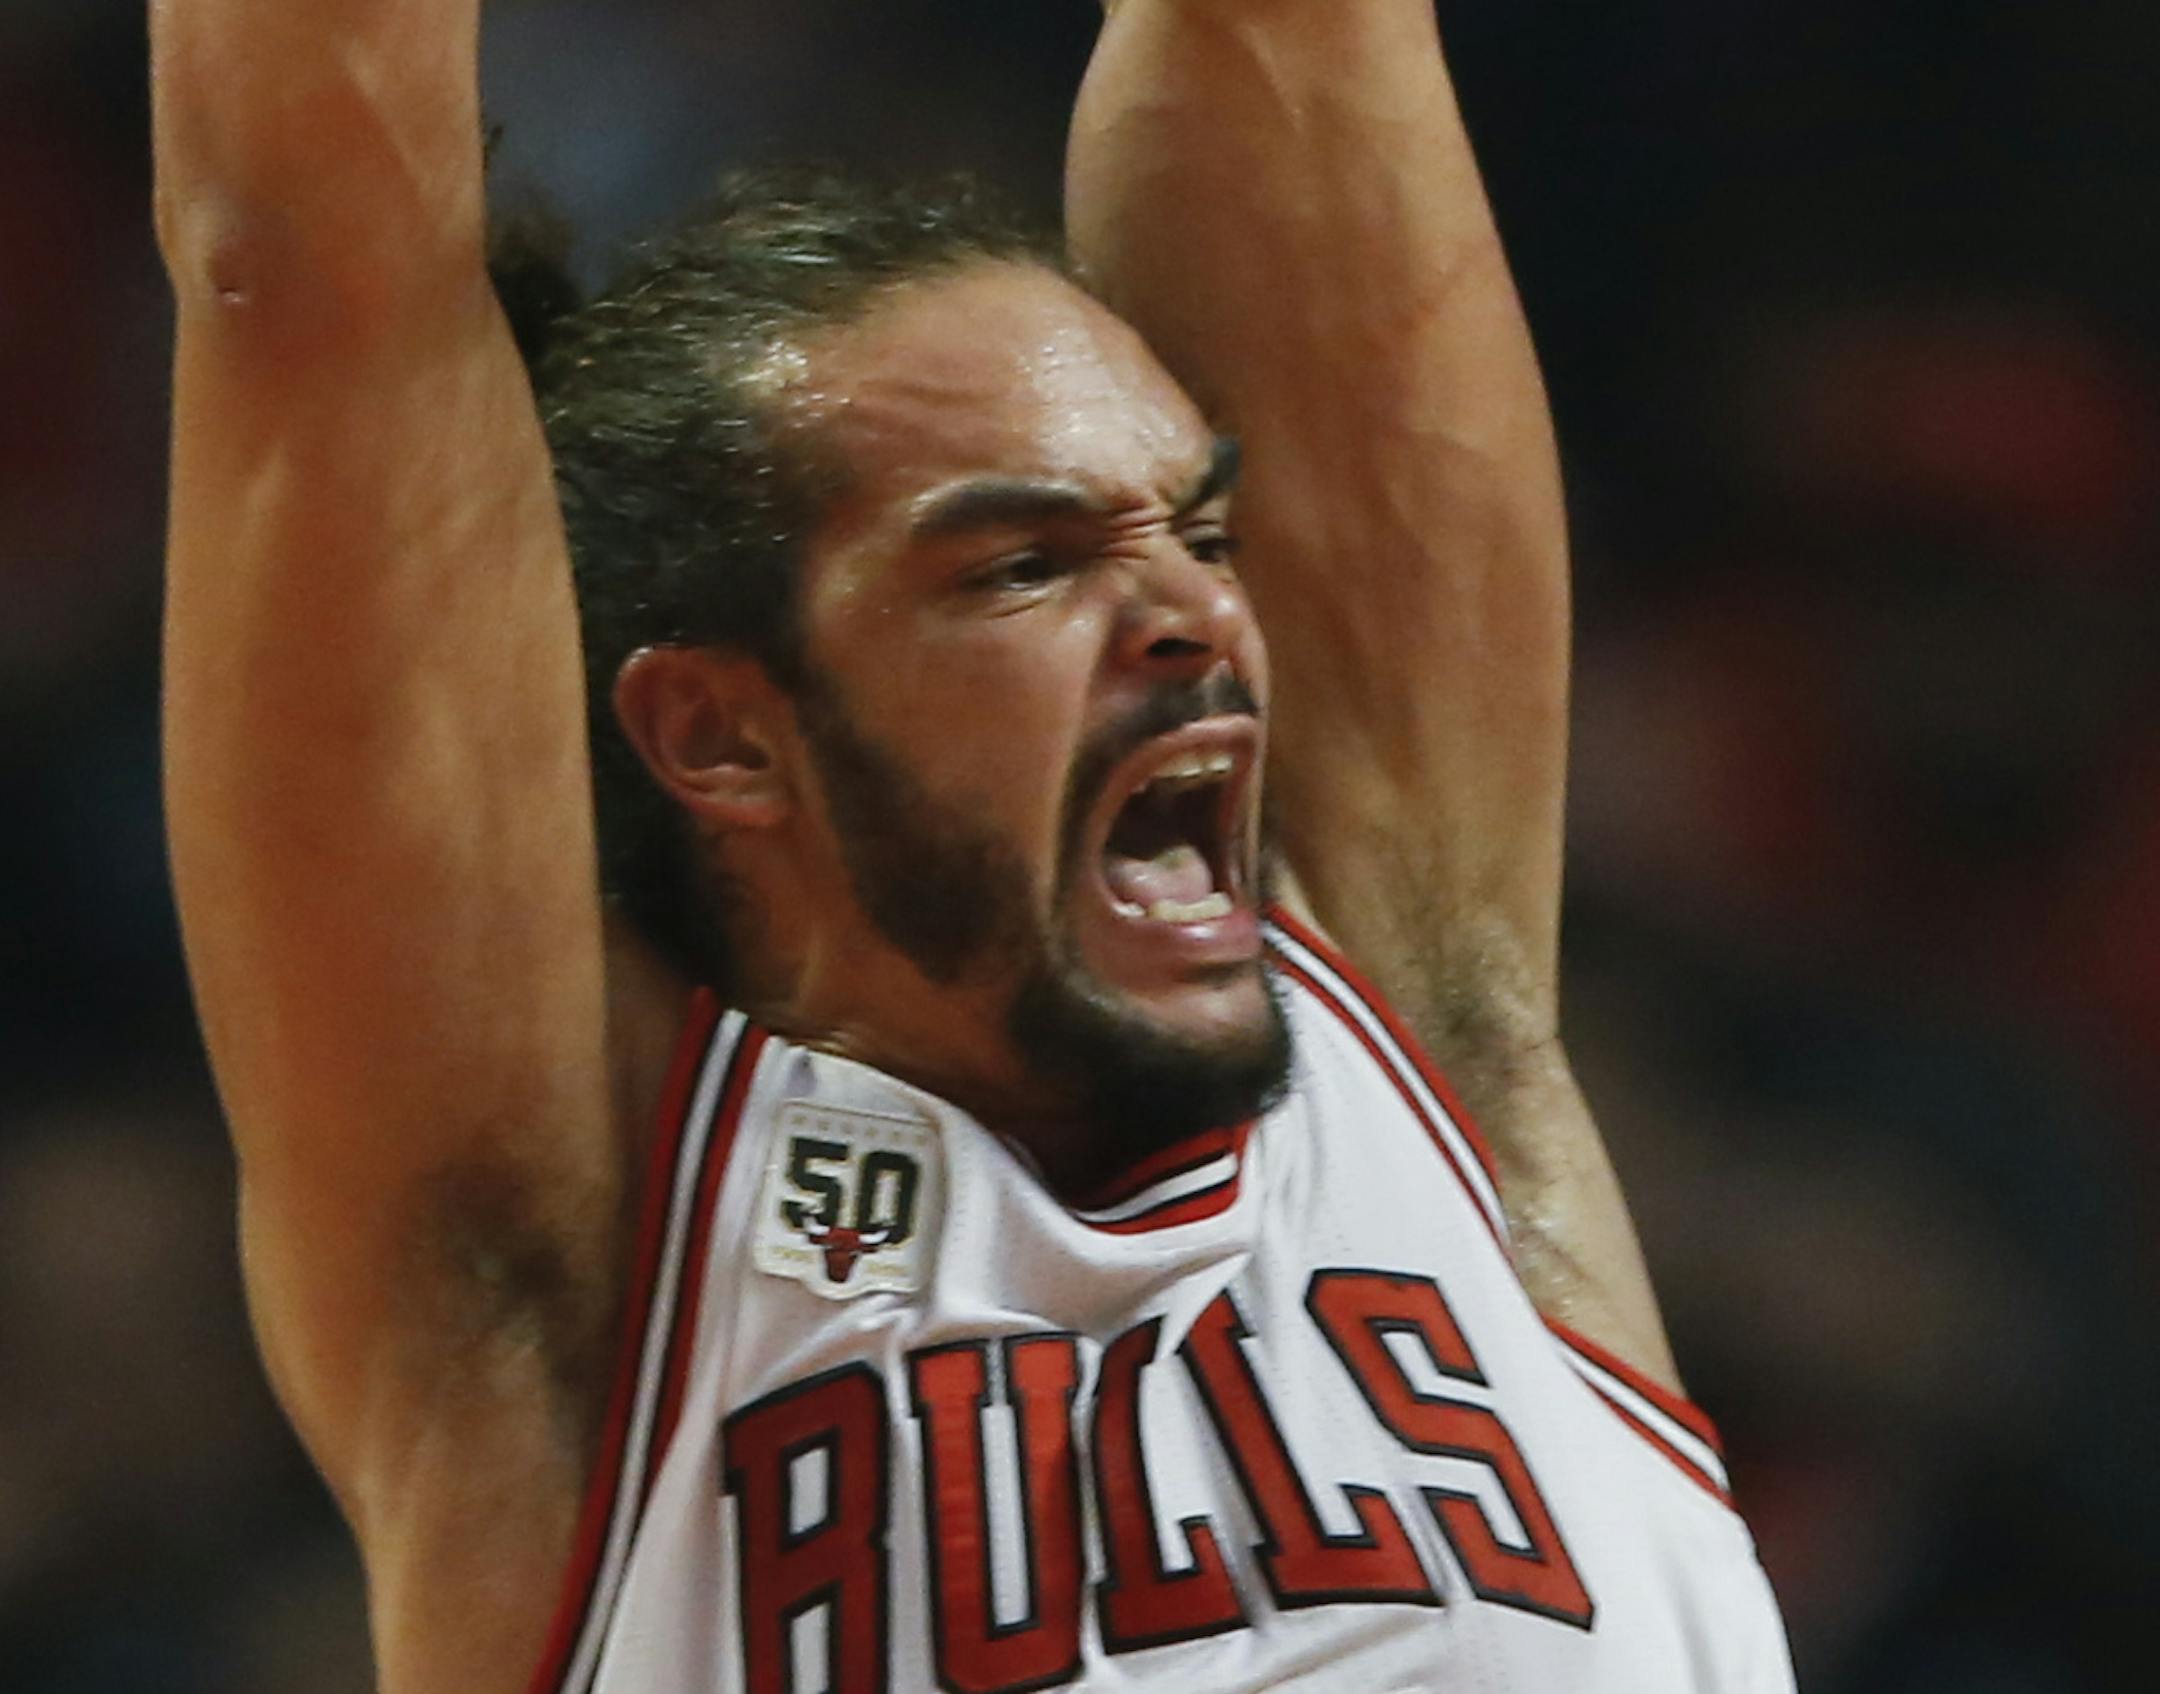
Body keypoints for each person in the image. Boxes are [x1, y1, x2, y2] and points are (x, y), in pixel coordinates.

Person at [150, 0, 1794, 1689]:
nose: (1196, 611)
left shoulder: (1417, 1035)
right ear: (720, 732)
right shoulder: (570, 1269)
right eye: (1024, 565)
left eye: (1203, 528)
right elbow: (310, 261)